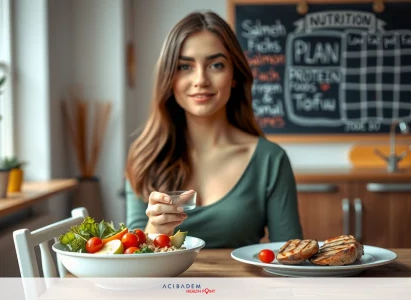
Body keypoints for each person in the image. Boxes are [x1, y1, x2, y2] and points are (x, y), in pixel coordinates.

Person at [125, 11, 302, 248]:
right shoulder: (144, 157)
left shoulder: (270, 159)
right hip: (165, 287)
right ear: (169, 78)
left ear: (234, 76)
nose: (200, 80)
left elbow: (293, 256)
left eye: (216, 65)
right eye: (184, 66)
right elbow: (132, 263)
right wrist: (156, 228)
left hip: (242, 286)